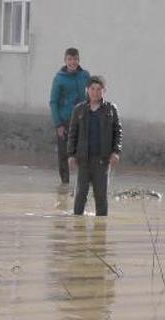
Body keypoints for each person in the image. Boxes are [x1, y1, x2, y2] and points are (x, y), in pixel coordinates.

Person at [67, 75, 122, 217]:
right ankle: (77, 229)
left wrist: (116, 152)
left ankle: (101, 230)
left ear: (104, 91)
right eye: (92, 89)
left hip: (102, 160)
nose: (95, 92)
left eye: (99, 89)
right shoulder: (79, 109)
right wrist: (71, 155)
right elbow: (72, 134)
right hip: (83, 159)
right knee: (80, 195)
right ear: (87, 90)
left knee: (101, 196)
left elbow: (118, 132)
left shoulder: (111, 109)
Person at [49, 47, 91, 184]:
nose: (72, 62)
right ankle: (65, 184)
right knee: (64, 154)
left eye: (75, 59)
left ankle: (83, 183)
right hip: (65, 121)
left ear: (79, 60)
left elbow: (93, 94)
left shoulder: (85, 75)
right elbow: (53, 102)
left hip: (83, 120)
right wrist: (58, 124)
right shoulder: (59, 79)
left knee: (84, 152)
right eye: (70, 59)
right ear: (65, 60)